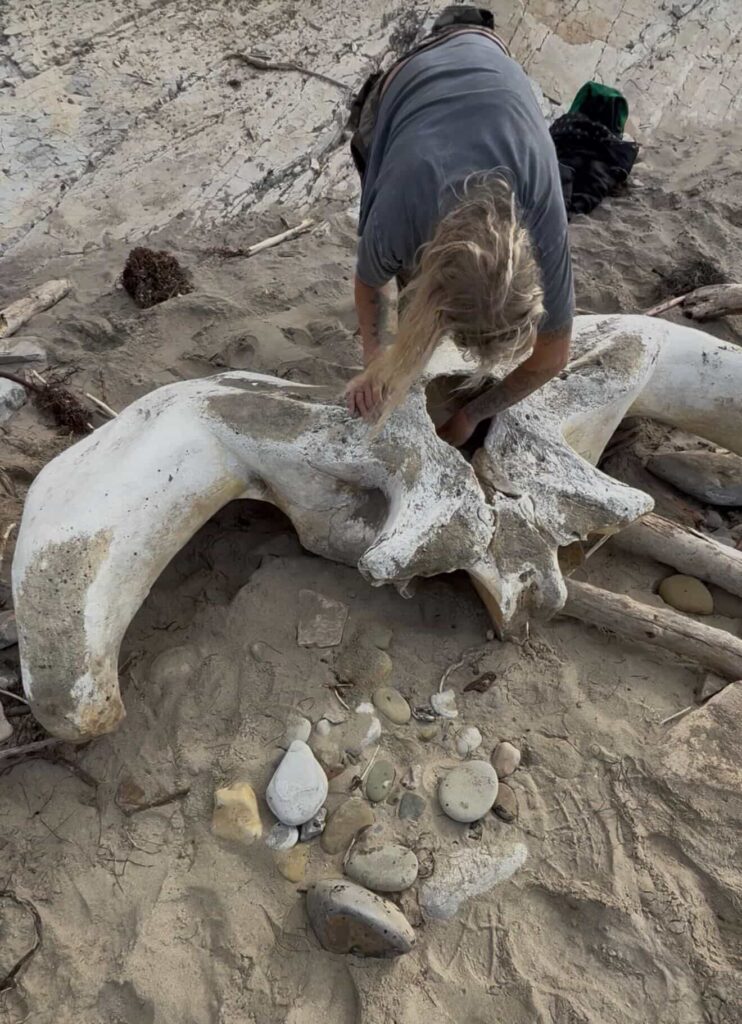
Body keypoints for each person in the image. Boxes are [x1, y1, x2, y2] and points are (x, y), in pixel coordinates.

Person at [345, 6, 574, 447]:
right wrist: (375, 362)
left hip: (494, 62)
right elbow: (370, 283)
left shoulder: (541, 217)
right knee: (394, 259)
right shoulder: (401, 206)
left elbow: (552, 356)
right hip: (408, 82)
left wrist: (473, 415)